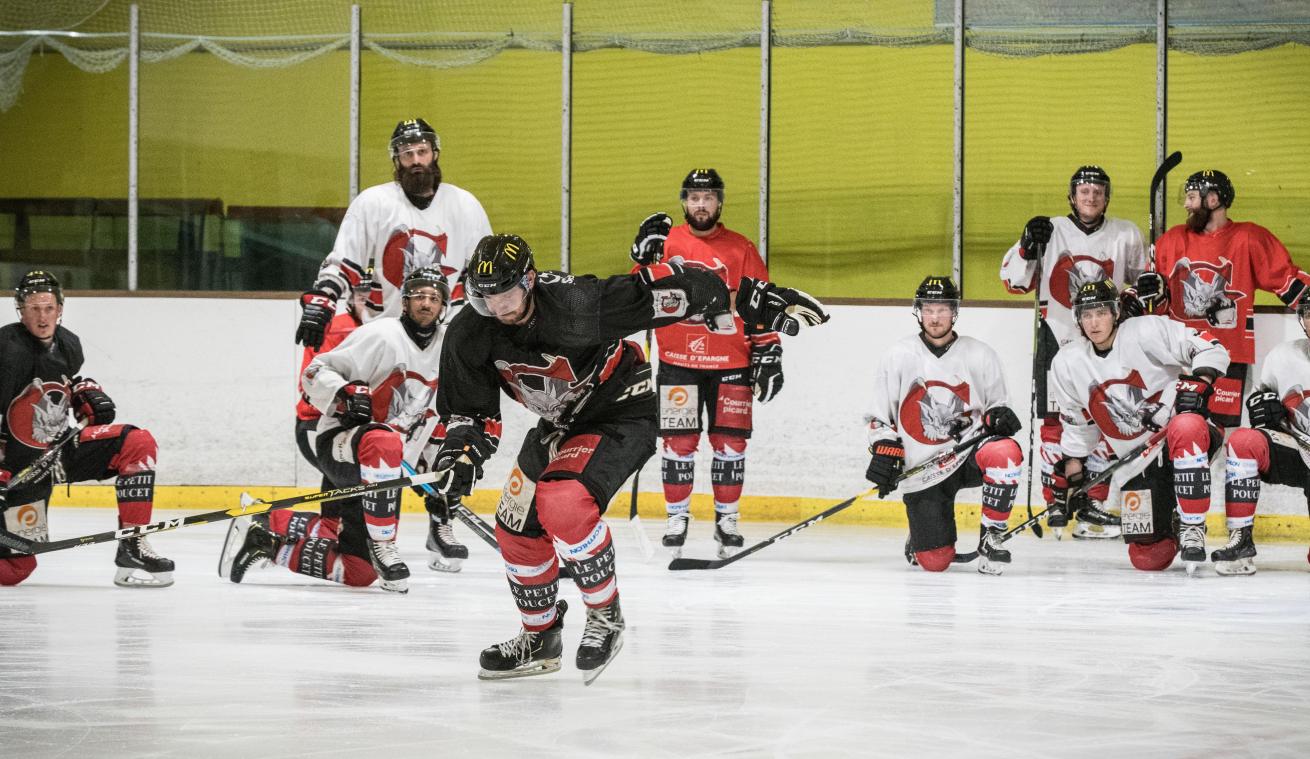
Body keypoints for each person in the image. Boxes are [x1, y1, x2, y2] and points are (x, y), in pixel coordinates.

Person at [435, 232, 827, 683]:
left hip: (620, 410)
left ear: (530, 280)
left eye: (506, 294)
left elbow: (668, 288)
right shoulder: (469, 332)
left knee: (563, 501)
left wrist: (752, 299)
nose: (497, 307)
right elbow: (471, 413)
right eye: (485, 298)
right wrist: (460, 457)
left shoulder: (577, 303)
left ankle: (605, 617)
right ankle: (540, 638)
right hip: (560, 425)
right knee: (515, 527)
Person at [294, 117, 491, 554]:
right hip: (386, 346)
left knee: (449, 433)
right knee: (368, 435)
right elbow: (345, 261)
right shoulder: (375, 202)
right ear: (396, 160)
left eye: (422, 152)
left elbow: (483, 275)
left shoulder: (465, 206)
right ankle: (341, 531)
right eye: (406, 154)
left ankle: (441, 522)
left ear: (435, 154)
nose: (415, 160)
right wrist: (323, 299)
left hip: (444, 344)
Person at [222, 267, 457, 593]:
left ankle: (266, 537)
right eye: (419, 296)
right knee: (384, 442)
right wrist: (344, 394)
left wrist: (433, 486)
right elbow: (314, 373)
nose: (426, 303)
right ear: (404, 302)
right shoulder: (381, 334)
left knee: (360, 572)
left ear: (444, 305)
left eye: (434, 297)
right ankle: (384, 544)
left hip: (385, 467)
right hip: (343, 445)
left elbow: (429, 420)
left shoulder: (449, 349)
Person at [628, 168, 781, 559]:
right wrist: (641, 260)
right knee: (678, 442)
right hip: (678, 362)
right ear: (684, 202)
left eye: (708, 198)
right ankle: (676, 517)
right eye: (694, 198)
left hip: (732, 362)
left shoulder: (741, 248)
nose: (701, 205)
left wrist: (769, 350)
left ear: (719, 202)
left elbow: (762, 303)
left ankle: (727, 519)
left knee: (730, 442)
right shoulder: (666, 244)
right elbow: (635, 294)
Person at [999, 166, 1148, 539]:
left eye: (1098, 191)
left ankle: (1091, 506)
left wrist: (1133, 301)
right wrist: (1026, 245)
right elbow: (1013, 281)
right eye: (1084, 191)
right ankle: (1056, 503)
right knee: (1055, 424)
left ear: (1107, 197)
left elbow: (1145, 282)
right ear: (1071, 196)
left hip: (1107, 343)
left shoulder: (1126, 233)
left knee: (1107, 419)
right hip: (1056, 338)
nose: (1091, 197)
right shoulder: (1050, 230)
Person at [0, 271, 172, 588]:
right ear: (21, 310)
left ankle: (133, 544)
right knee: (16, 567)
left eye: (49, 308)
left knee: (137, 442)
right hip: (15, 472)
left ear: (60, 309)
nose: (42, 317)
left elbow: (61, 386)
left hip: (55, 456)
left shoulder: (69, 345)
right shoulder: (7, 350)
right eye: (34, 308)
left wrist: (83, 391)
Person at [1050, 279, 1230, 573]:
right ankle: (1172, 520)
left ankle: (1192, 526)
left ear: (1116, 312)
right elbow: (1079, 425)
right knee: (1148, 557)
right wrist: (1072, 476)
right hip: (1135, 463)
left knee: (1186, 425)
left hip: (1179, 437)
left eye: (1101, 313)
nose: (1094, 322)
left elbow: (1211, 347)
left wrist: (1199, 383)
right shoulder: (1067, 362)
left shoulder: (1146, 330)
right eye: (1086, 314)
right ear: (1077, 319)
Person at [863, 276, 1026, 575]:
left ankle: (992, 536)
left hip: (968, 454)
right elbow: (878, 417)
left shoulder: (980, 354)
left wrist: (998, 417)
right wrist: (885, 447)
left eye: (942, 309)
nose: (935, 317)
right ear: (918, 311)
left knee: (1004, 452)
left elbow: (998, 407)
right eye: (928, 309)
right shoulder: (899, 355)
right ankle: (920, 537)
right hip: (924, 468)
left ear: (954, 312)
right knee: (935, 562)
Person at [1127, 169, 1310, 427]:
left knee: (1221, 432)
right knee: (1172, 428)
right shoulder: (1172, 240)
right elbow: (1151, 303)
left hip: (1227, 357)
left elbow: (1289, 282)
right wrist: (1145, 294)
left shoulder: (1249, 238)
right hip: (1176, 355)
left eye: (1192, 197)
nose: (1186, 204)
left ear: (1212, 200)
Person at [1217, 297, 1310, 574]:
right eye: (1309, 313)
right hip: (1299, 450)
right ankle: (1241, 541)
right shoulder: (1282, 356)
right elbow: (1261, 404)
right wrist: (1263, 408)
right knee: (1244, 441)